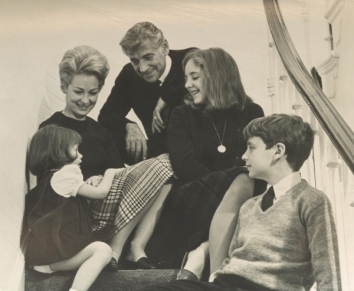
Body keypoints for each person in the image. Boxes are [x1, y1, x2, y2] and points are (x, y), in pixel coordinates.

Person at [138, 113, 342, 291]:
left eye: (251, 148)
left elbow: (328, 267)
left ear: (278, 151)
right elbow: (232, 260)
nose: (244, 156)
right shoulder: (249, 206)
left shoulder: (311, 201)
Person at [40, 45, 174, 271]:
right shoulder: (51, 129)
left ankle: (130, 248)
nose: (85, 100)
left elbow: (118, 173)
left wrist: (101, 177)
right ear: (64, 86)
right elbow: (49, 183)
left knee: (168, 166)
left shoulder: (102, 131)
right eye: (78, 92)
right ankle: (117, 249)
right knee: (165, 163)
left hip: (106, 205)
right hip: (77, 212)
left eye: (93, 93)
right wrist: (83, 184)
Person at [157, 48, 266, 279]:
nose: (187, 84)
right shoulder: (181, 114)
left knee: (246, 180)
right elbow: (184, 165)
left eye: (194, 77)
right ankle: (218, 275)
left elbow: (259, 162)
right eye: (186, 77)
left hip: (242, 196)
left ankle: (204, 250)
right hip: (192, 195)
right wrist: (229, 184)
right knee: (242, 178)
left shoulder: (252, 112)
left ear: (217, 76)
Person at [22, 125, 115, 291]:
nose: (81, 155)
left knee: (99, 249)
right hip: (52, 255)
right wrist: (110, 172)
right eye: (76, 149)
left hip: (46, 255)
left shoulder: (50, 178)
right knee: (103, 250)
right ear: (59, 151)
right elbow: (101, 193)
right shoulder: (64, 174)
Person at [98, 21, 196, 164]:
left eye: (148, 57)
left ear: (165, 47)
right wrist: (128, 125)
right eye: (135, 61)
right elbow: (106, 116)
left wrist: (167, 97)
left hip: (198, 153)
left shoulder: (189, 59)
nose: (143, 68)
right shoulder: (129, 75)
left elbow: (219, 83)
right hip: (158, 157)